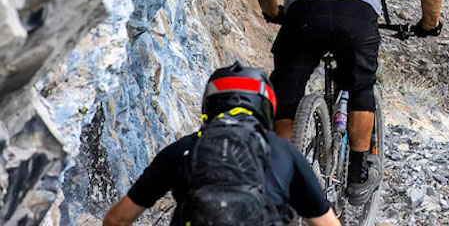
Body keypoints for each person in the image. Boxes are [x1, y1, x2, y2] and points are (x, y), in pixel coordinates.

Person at [255, 0, 442, 205]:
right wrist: (428, 26)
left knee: (287, 91)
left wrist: (273, 13)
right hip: (356, 18)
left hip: (305, 15)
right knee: (359, 87)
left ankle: (280, 175)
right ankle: (356, 173)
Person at [102, 62, 338, 226]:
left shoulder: (182, 149)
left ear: (210, 104)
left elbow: (116, 219)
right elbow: (326, 223)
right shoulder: (282, 152)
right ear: (265, 107)